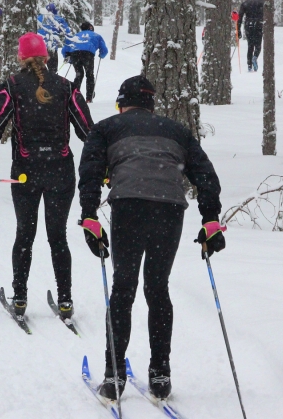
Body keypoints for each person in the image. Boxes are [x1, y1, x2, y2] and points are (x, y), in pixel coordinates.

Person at [77, 75, 224, 401]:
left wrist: (89, 216)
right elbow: (205, 174)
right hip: (169, 208)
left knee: (123, 288)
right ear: (151, 104)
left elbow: (89, 172)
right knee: (157, 288)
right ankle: (160, 376)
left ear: (122, 102)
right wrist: (210, 219)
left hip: (128, 205)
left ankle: (113, 378)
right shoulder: (177, 131)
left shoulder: (105, 128)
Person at [0, 32, 93, 320]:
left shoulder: (12, 87)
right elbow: (89, 130)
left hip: (26, 172)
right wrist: (102, 165)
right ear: (47, 57)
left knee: (25, 235)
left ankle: (21, 298)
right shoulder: (66, 88)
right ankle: (65, 301)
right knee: (58, 238)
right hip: (61, 171)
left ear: (20, 57)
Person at [61, 22, 108, 102]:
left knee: (79, 74)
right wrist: (101, 55)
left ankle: (74, 94)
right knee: (89, 75)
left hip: (75, 54)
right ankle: (89, 97)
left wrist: (68, 57)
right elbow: (104, 50)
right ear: (91, 28)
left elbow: (65, 49)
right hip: (88, 54)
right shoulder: (96, 36)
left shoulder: (75, 36)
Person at [37, 3, 72, 74]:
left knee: (38, 71)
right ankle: (52, 81)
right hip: (52, 48)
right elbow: (67, 33)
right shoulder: (58, 19)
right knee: (52, 71)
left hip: (38, 48)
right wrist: (69, 51)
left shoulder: (38, 19)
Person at [236, 0, 264, 72]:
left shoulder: (245, 3)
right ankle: (255, 57)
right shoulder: (263, 2)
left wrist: (238, 30)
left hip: (249, 26)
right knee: (258, 46)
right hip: (259, 25)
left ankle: (249, 66)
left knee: (250, 46)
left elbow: (239, 17)